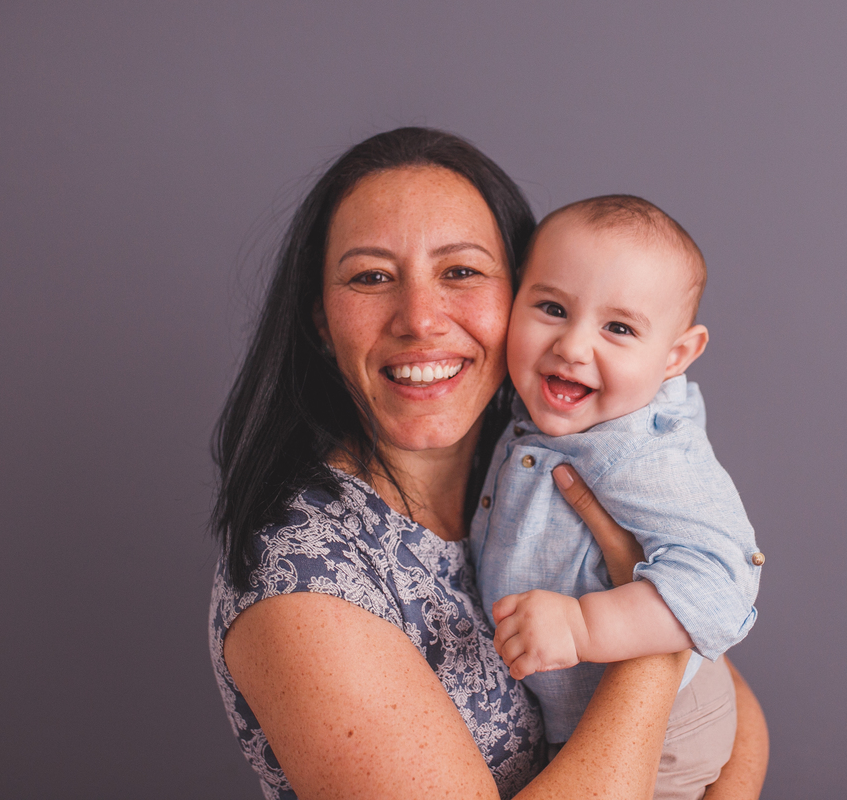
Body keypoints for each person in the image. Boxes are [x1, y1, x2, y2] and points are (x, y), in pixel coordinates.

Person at [208, 127, 769, 799]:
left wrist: (648, 615)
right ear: (322, 323)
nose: (420, 319)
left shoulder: (535, 456)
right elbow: (687, 648)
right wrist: (648, 638)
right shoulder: (304, 578)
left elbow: (732, 707)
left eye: (461, 272)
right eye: (372, 277)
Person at [469, 195, 763, 798]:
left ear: (675, 356)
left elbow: (721, 583)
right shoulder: (539, 408)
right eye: (552, 308)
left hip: (665, 730)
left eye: (619, 328)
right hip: (587, 722)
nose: (573, 347)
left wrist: (584, 625)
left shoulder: (642, 451)